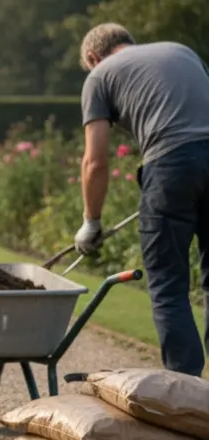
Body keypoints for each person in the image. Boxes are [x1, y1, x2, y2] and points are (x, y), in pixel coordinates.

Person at [77, 23, 209, 376]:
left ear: (93, 57)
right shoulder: (181, 50)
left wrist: (91, 222)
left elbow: (95, 161)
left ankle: (187, 399)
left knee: (168, 285)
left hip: (171, 165)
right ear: (127, 43)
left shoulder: (99, 76)